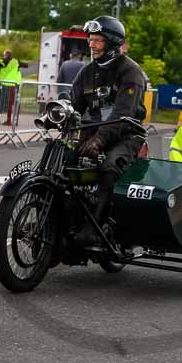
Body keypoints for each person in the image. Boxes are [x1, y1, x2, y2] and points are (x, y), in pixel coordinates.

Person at [70, 15, 147, 247]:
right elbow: (74, 104)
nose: (91, 45)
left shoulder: (130, 72)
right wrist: (58, 112)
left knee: (109, 167)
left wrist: (100, 140)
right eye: (90, 40)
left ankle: (94, 227)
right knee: (63, 164)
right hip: (91, 134)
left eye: (98, 40)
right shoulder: (86, 73)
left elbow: (122, 115)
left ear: (112, 43)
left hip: (126, 136)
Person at [0, 49, 26, 126]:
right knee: (16, 103)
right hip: (16, 85)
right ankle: (15, 121)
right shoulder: (16, 61)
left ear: (6, 55)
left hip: (7, 85)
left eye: (4, 55)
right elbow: (25, 65)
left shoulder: (3, 61)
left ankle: (8, 120)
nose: (3, 56)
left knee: (9, 103)